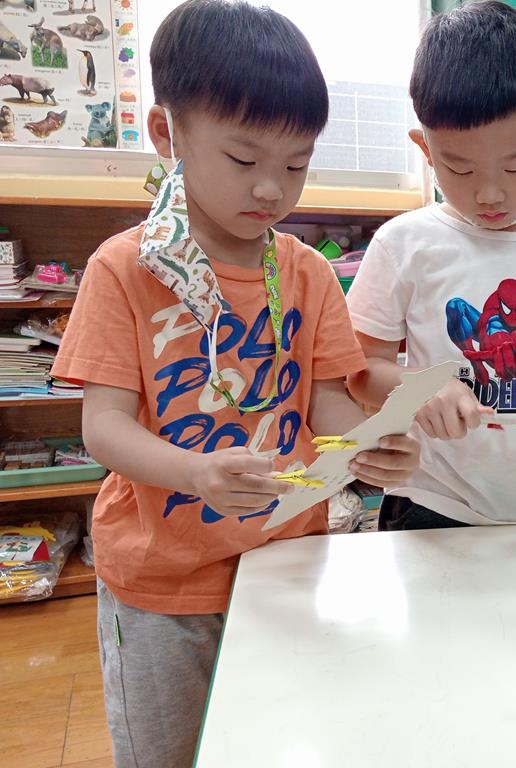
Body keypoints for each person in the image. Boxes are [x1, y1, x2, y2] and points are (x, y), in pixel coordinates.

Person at [51, 2, 419, 765]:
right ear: (168, 134)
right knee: (169, 752)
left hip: (285, 563)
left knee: (275, 742)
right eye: (245, 161)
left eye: (297, 164)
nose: (273, 190)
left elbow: (325, 404)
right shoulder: (125, 268)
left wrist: (363, 448)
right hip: (162, 581)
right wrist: (195, 473)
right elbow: (104, 428)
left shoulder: (308, 273)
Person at [346, 1, 516, 529]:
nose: (490, 193)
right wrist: (420, 388)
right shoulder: (404, 244)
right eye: (460, 168)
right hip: (432, 502)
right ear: (426, 149)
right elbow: (361, 373)